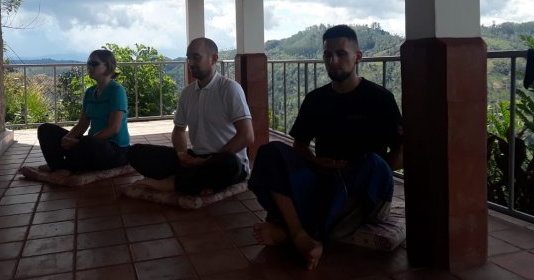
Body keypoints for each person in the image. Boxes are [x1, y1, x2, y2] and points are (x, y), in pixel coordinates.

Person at [248, 25, 403, 270]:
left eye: (341, 54)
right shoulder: (316, 100)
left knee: (374, 164)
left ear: (358, 57)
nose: (333, 61)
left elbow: (401, 151)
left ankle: (291, 232)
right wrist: (313, 162)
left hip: (362, 186)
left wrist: (360, 169)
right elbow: (299, 144)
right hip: (324, 178)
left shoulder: (380, 99)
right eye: (328, 55)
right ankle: (300, 234)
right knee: (271, 151)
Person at [127, 37, 254, 195]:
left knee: (228, 163)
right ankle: (193, 181)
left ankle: (174, 183)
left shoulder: (230, 89)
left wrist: (207, 161)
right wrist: (182, 154)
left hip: (223, 159)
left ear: (214, 59)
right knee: (135, 152)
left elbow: (247, 136)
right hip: (195, 158)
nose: (191, 63)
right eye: (188, 58)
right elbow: (179, 130)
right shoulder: (188, 93)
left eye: (196, 57)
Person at [37, 49, 130, 177]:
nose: (90, 67)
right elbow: (82, 125)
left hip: (114, 150)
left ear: (108, 67)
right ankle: (59, 166)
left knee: (88, 142)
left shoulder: (116, 91)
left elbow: (114, 128)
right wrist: (67, 138)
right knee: (46, 130)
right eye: (88, 64)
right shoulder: (90, 92)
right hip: (90, 145)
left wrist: (80, 144)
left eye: (95, 64)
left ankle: (66, 167)